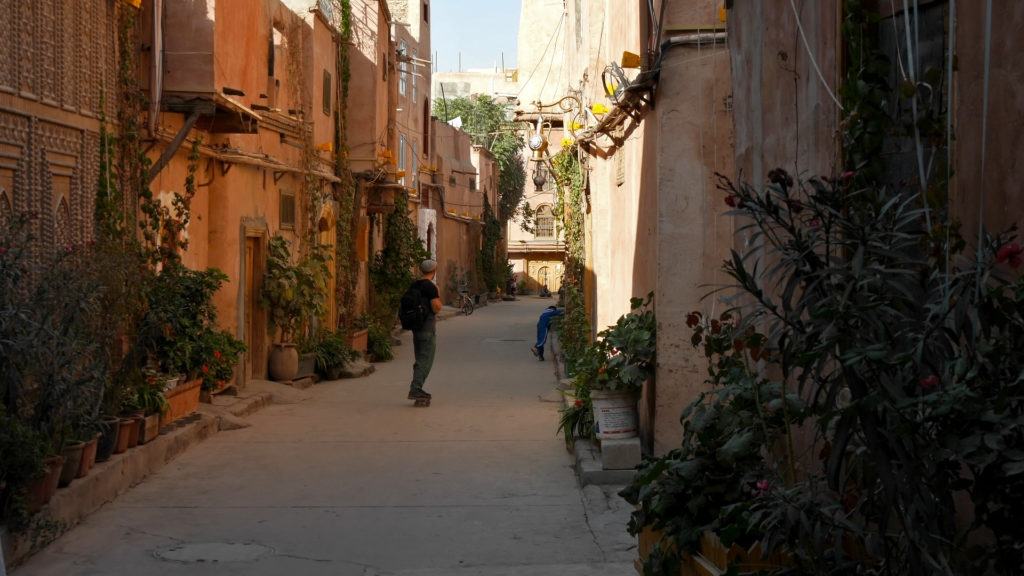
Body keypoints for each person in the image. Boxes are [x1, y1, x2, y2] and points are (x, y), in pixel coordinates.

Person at [408, 259, 442, 401]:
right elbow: (436, 307)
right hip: (428, 328)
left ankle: (417, 387)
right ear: (434, 271)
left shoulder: (414, 285)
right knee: (425, 360)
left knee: (420, 358)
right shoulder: (431, 287)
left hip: (416, 327)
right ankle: (416, 388)